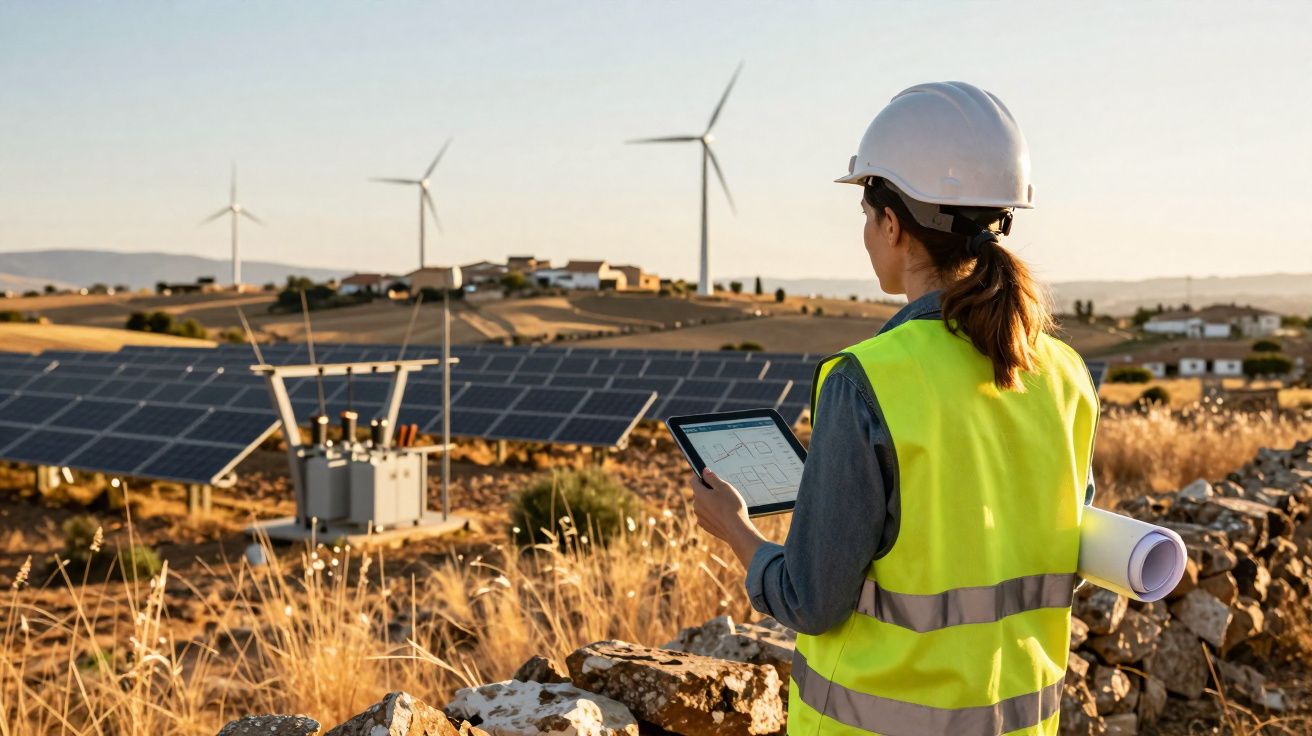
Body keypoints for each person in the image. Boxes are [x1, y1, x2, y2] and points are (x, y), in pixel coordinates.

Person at [690, 81, 1099, 735]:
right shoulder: (1064, 374)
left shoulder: (866, 382)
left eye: (866, 212)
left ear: (891, 222)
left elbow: (811, 601)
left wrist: (737, 530)